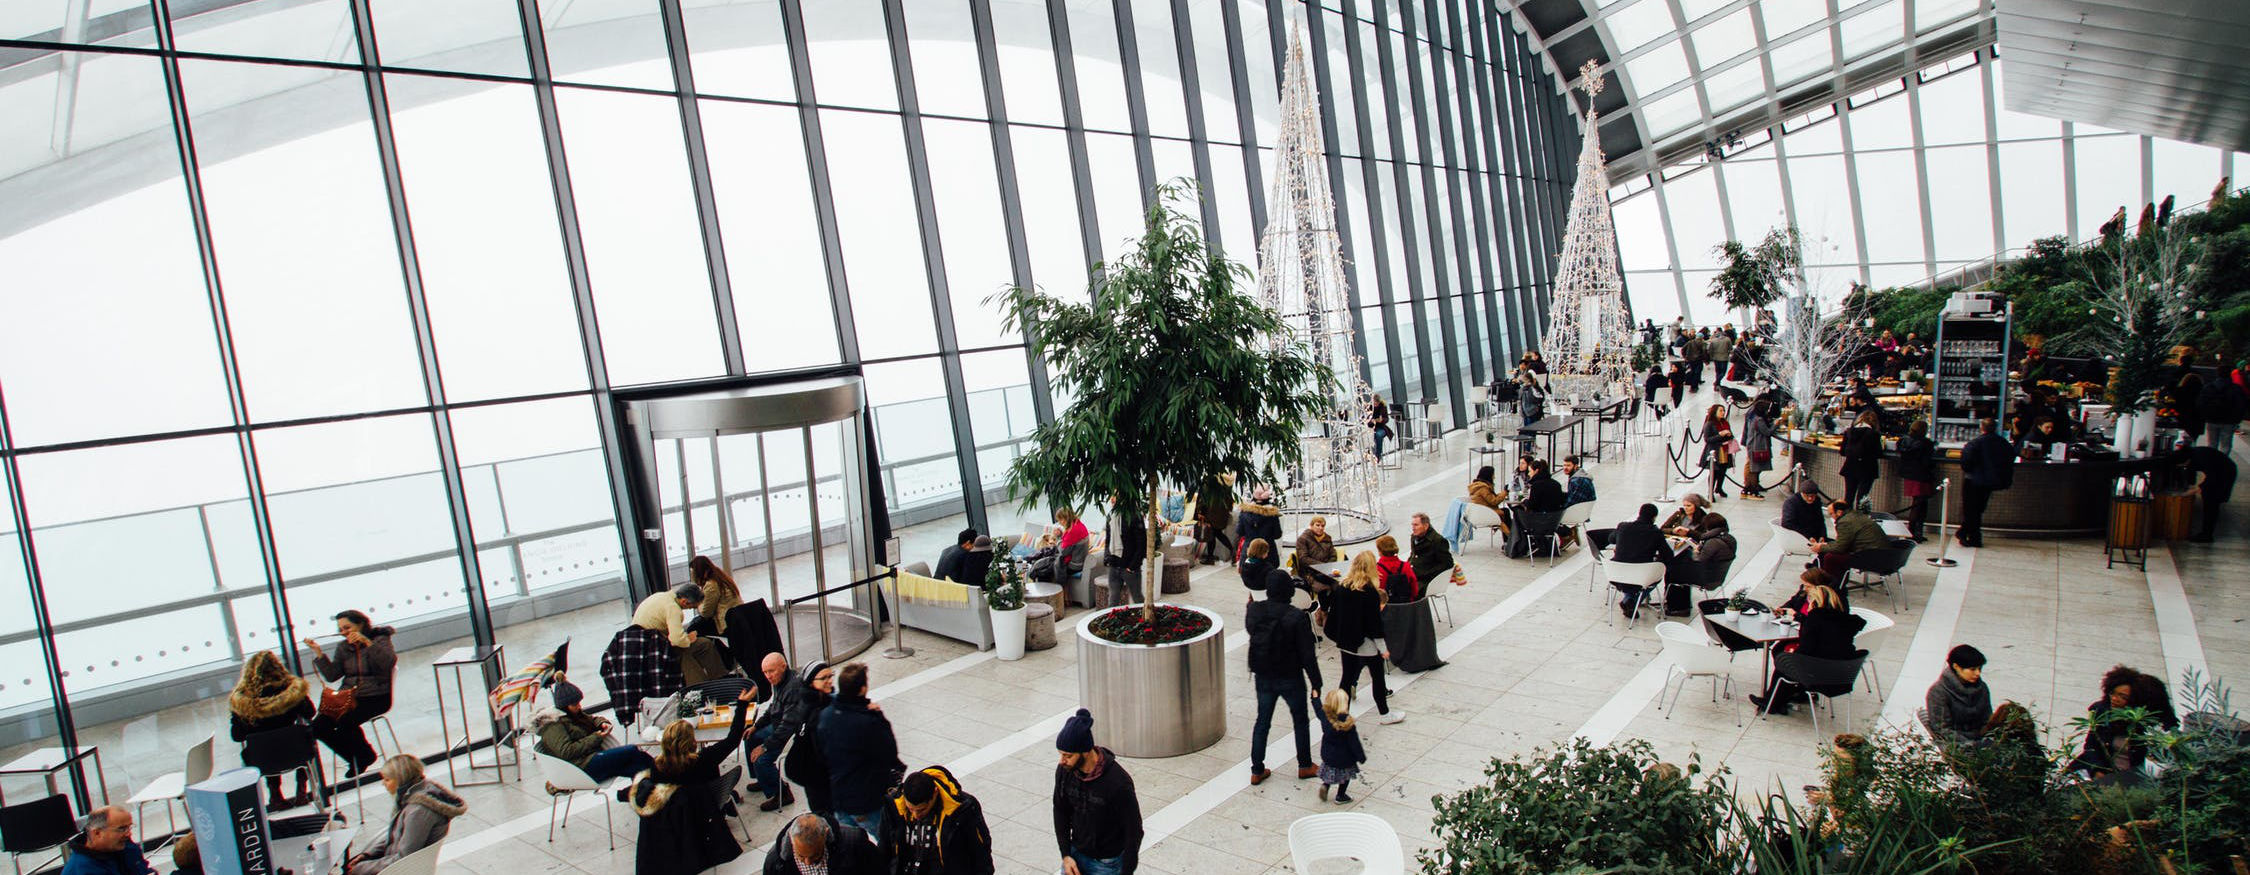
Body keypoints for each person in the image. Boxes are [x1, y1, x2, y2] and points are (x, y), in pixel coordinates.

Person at [632, 687, 756, 875]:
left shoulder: (658, 766)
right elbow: (733, 739)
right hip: (704, 813)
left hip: (675, 825)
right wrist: (741, 705)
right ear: (690, 741)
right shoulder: (703, 760)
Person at [1246, 570, 1322, 785]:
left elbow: (1251, 630)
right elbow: (1307, 654)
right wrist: (1316, 682)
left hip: (1263, 675)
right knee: (1300, 721)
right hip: (1291, 676)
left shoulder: (1255, 610)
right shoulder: (1296, 616)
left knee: (1262, 722)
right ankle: (1305, 765)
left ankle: (1256, 769)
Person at [301, 609, 396, 773]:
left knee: (345, 722)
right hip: (348, 697)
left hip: (376, 696)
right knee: (317, 728)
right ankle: (358, 757)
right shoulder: (343, 647)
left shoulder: (380, 639)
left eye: (347, 628)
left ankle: (362, 757)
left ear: (361, 624)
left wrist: (367, 643)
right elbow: (332, 675)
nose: (344, 633)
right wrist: (319, 654)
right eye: (341, 630)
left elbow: (387, 663)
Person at [1749, 584, 1863, 717]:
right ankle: (1781, 701)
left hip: (1819, 675)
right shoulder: (1846, 620)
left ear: (1814, 603)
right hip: (1842, 676)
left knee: (1785, 661)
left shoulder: (1815, 618)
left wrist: (1791, 656)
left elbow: (1806, 649)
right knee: (1788, 660)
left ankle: (1772, 703)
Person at [1053, 709, 1143, 875]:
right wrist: (1065, 855)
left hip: (1107, 864)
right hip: (1075, 854)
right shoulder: (1065, 771)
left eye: (1067, 755)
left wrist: (1127, 872)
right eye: (1061, 754)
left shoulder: (1118, 783)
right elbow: (1060, 811)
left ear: (1085, 751)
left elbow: (1134, 831)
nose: (1062, 761)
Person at [819, 662, 903, 840]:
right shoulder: (868, 722)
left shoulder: (826, 716)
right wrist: (878, 715)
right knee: (890, 841)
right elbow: (890, 752)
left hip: (839, 797)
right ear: (863, 688)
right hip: (866, 799)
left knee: (847, 844)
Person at [345, 756, 467, 875]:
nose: (383, 784)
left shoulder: (418, 811)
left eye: (387, 779)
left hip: (402, 869)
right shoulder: (414, 794)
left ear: (401, 781)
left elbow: (404, 858)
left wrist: (360, 869)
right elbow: (395, 835)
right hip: (395, 863)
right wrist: (367, 855)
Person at [228, 650, 316, 810]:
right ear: (278, 668)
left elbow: (237, 736)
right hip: (296, 753)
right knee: (298, 736)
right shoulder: (291, 690)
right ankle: (302, 791)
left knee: (264, 743)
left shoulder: (242, 701)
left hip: (262, 760)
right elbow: (310, 713)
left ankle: (275, 795)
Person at [533, 677, 654, 786]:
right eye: (575, 704)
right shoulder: (553, 725)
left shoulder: (572, 715)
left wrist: (602, 723)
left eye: (579, 702)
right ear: (564, 706)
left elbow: (593, 719)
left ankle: (650, 791)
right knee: (633, 751)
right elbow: (566, 751)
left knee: (637, 765)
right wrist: (596, 737)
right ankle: (661, 780)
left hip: (589, 760)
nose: (579, 706)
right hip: (580, 768)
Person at [1323, 553, 1401, 724]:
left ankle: (1342, 716)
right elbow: (1374, 625)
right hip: (1366, 645)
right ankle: (1384, 714)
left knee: (1346, 679)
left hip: (1346, 642)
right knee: (1378, 678)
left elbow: (1334, 615)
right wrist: (1383, 648)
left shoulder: (1342, 587)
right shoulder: (1369, 592)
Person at [881, 766, 995, 875]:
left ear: (935, 793)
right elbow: (885, 845)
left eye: (921, 810)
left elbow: (980, 851)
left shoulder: (962, 809)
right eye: (911, 809)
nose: (916, 815)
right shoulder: (894, 806)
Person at [2072, 665, 2180, 776]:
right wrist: (2096, 770)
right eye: (2113, 693)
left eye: (2123, 697)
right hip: (2101, 772)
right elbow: (2091, 746)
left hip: (2136, 780)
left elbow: (2166, 760)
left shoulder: (2151, 728)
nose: (2114, 699)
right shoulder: (2103, 713)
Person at [745, 654, 812, 811]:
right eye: (765, 672)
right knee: (750, 737)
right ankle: (764, 779)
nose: (768, 676)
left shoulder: (793, 687)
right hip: (779, 726)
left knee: (761, 759)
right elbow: (774, 707)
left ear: (783, 666)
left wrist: (764, 747)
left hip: (790, 733)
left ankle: (782, 794)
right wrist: (756, 726)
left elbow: (788, 726)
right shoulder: (779, 680)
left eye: (771, 671)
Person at [632, 583, 732, 686]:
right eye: (692, 607)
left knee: (704, 644)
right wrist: (688, 639)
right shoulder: (673, 609)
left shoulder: (663, 596)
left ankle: (721, 677)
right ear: (684, 601)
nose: (690, 609)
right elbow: (677, 641)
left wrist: (686, 638)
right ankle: (700, 687)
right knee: (684, 653)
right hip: (652, 648)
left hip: (644, 642)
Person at [783, 660, 837, 815]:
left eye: (830, 676)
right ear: (811, 682)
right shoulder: (816, 711)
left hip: (813, 776)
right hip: (818, 778)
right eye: (824, 678)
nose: (829, 681)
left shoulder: (813, 701)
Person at [764, 812, 882, 875]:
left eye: (815, 855)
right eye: (801, 856)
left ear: (825, 835)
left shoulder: (854, 843)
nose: (808, 862)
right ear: (791, 839)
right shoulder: (775, 863)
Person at [1921, 644, 1993, 746]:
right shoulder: (1938, 692)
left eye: (1979, 668)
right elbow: (1942, 729)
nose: (1977, 673)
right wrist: (1970, 744)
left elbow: (1987, 719)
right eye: (1972, 669)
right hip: (1959, 745)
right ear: (1956, 667)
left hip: (1982, 739)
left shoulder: (1982, 688)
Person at [1959, 419, 2014, 548]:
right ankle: (1966, 533)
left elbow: (1966, 461)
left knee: (1971, 509)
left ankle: (1971, 536)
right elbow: (2010, 457)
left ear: (1981, 428)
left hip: (1973, 480)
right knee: (1978, 508)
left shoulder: (1975, 443)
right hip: (1990, 481)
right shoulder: (2003, 443)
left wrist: (1971, 469)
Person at [1314, 688, 1367, 804]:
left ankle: (1325, 786)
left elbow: (1318, 710)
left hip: (1328, 754)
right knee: (1345, 777)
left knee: (1330, 771)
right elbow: (1354, 743)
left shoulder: (1325, 717)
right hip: (1345, 757)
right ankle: (1340, 795)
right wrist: (1361, 756)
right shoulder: (1347, 724)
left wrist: (1315, 698)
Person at [2176, 444, 2238, 543]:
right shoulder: (2192, 455)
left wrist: (2197, 489)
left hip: (2225, 473)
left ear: (2186, 460)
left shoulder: (2200, 458)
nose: (2184, 466)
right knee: (2209, 497)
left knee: (2211, 501)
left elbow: (2213, 477)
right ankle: (2206, 532)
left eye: (2183, 464)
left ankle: (2207, 534)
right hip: (2220, 471)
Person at [61, 808, 151, 875]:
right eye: (121, 829)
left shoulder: (127, 847)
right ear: (97, 833)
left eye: (129, 827)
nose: (128, 834)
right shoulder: (83, 869)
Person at [1665, 512, 1736, 595]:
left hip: (1706, 578)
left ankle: (1674, 603)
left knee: (1672, 570)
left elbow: (1698, 560)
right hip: (1718, 576)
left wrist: (1696, 551)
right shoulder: (1730, 539)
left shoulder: (1712, 542)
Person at [1815, 500, 1887, 577]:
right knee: (1829, 549)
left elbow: (1840, 548)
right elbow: (1844, 542)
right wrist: (1826, 545)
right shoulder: (1855, 515)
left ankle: (1830, 584)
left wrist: (1821, 547)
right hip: (1884, 555)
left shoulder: (1844, 522)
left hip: (1871, 558)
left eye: (1831, 514)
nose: (1831, 516)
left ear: (1839, 512)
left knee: (1830, 557)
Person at [1895, 420, 1937, 542]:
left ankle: (1912, 531)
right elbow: (1927, 461)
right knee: (1920, 504)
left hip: (1909, 475)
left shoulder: (1903, 441)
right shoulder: (1926, 444)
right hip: (1922, 475)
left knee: (1917, 503)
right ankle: (1915, 531)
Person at [687, 555, 744, 639]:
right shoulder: (720, 577)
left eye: (693, 573)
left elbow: (706, 613)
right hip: (738, 618)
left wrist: (697, 604)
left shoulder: (711, 585)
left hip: (728, 623)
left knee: (693, 628)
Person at [1103, 504, 1149, 607]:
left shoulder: (1134, 515)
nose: (1112, 499)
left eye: (1115, 495)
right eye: (1112, 496)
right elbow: (1108, 540)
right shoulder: (1111, 515)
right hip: (1114, 565)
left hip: (1129, 567)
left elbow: (1141, 544)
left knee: (1138, 599)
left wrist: (1133, 566)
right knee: (1112, 601)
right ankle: (1113, 622)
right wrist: (1107, 558)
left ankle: (1146, 619)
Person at [1838, 410, 1882, 509]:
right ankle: (1860, 521)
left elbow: (1842, 451)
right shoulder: (1874, 434)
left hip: (1850, 467)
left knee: (1848, 497)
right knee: (1862, 499)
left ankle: (1846, 520)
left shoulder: (1849, 432)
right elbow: (1878, 453)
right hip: (1867, 470)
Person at [2196, 372, 2246, 451]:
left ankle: (2212, 460)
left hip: (2212, 419)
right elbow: (2241, 404)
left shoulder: (2209, 387)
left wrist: (2204, 416)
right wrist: (2237, 419)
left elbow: (2201, 403)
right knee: (2226, 445)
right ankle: (2222, 460)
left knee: (2212, 443)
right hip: (2229, 420)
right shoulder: (2236, 389)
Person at [1234, 485, 1283, 565]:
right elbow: (1277, 534)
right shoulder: (1272, 515)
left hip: (1249, 552)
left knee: (1249, 575)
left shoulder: (1244, 512)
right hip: (1268, 554)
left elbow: (1239, 531)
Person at [1192, 476, 1234, 564]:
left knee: (1215, 534)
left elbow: (1203, 497)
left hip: (1210, 512)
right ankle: (1211, 557)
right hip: (1221, 512)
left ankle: (1232, 551)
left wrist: (1200, 512)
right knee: (1214, 533)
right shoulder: (1226, 480)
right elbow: (1230, 498)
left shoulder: (1210, 479)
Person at [1406, 513, 1453, 590]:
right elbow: (1413, 555)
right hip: (1413, 575)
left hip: (1427, 580)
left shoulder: (1438, 541)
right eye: (1412, 525)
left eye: (1416, 525)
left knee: (1406, 592)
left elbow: (1448, 563)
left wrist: (1426, 573)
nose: (1413, 528)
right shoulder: (1414, 537)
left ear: (1426, 526)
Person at [1293, 515, 1340, 591]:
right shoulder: (1303, 539)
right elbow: (1303, 559)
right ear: (1311, 526)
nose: (1320, 528)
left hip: (1327, 570)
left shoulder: (1327, 538)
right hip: (1310, 573)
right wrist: (1321, 566)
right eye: (1317, 525)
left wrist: (1328, 566)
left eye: (1322, 526)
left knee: (1341, 585)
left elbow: (1333, 555)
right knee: (1324, 589)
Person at [1700, 404, 1736, 499]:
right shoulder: (1709, 424)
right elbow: (1707, 439)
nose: (1723, 412)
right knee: (1714, 472)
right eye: (1720, 411)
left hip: (1725, 449)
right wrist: (1720, 435)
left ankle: (1719, 487)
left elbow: (1731, 435)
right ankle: (1710, 491)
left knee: (1723, 470)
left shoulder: (1725, 422)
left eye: (1723, 410)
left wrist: (1729, 435)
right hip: (1714, 450)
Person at [1741, 403, 1776, 499]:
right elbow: (1767, 432)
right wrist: (1775, 424)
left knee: (1754, 469)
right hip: (1757, 448)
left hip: (1753, 446)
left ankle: (1748, 489)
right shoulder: (1759, 420)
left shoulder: (1753, 417)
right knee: (1754, 470)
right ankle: (1752, 491)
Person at [1238, 539, 1289, 603]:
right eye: (1266, 552)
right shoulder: (1266, 568)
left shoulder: (1245, 565)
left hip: (1252, 590)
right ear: (1261, 553)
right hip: (1264, 591)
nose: (1267, 555)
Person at [1373, 535, 1418, 603]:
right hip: (1406, 604)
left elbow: (1377, 591)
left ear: (1380, 551)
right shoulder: (1406, 566)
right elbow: (1414, 587)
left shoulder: (1377, 569)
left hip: (1387, 607)